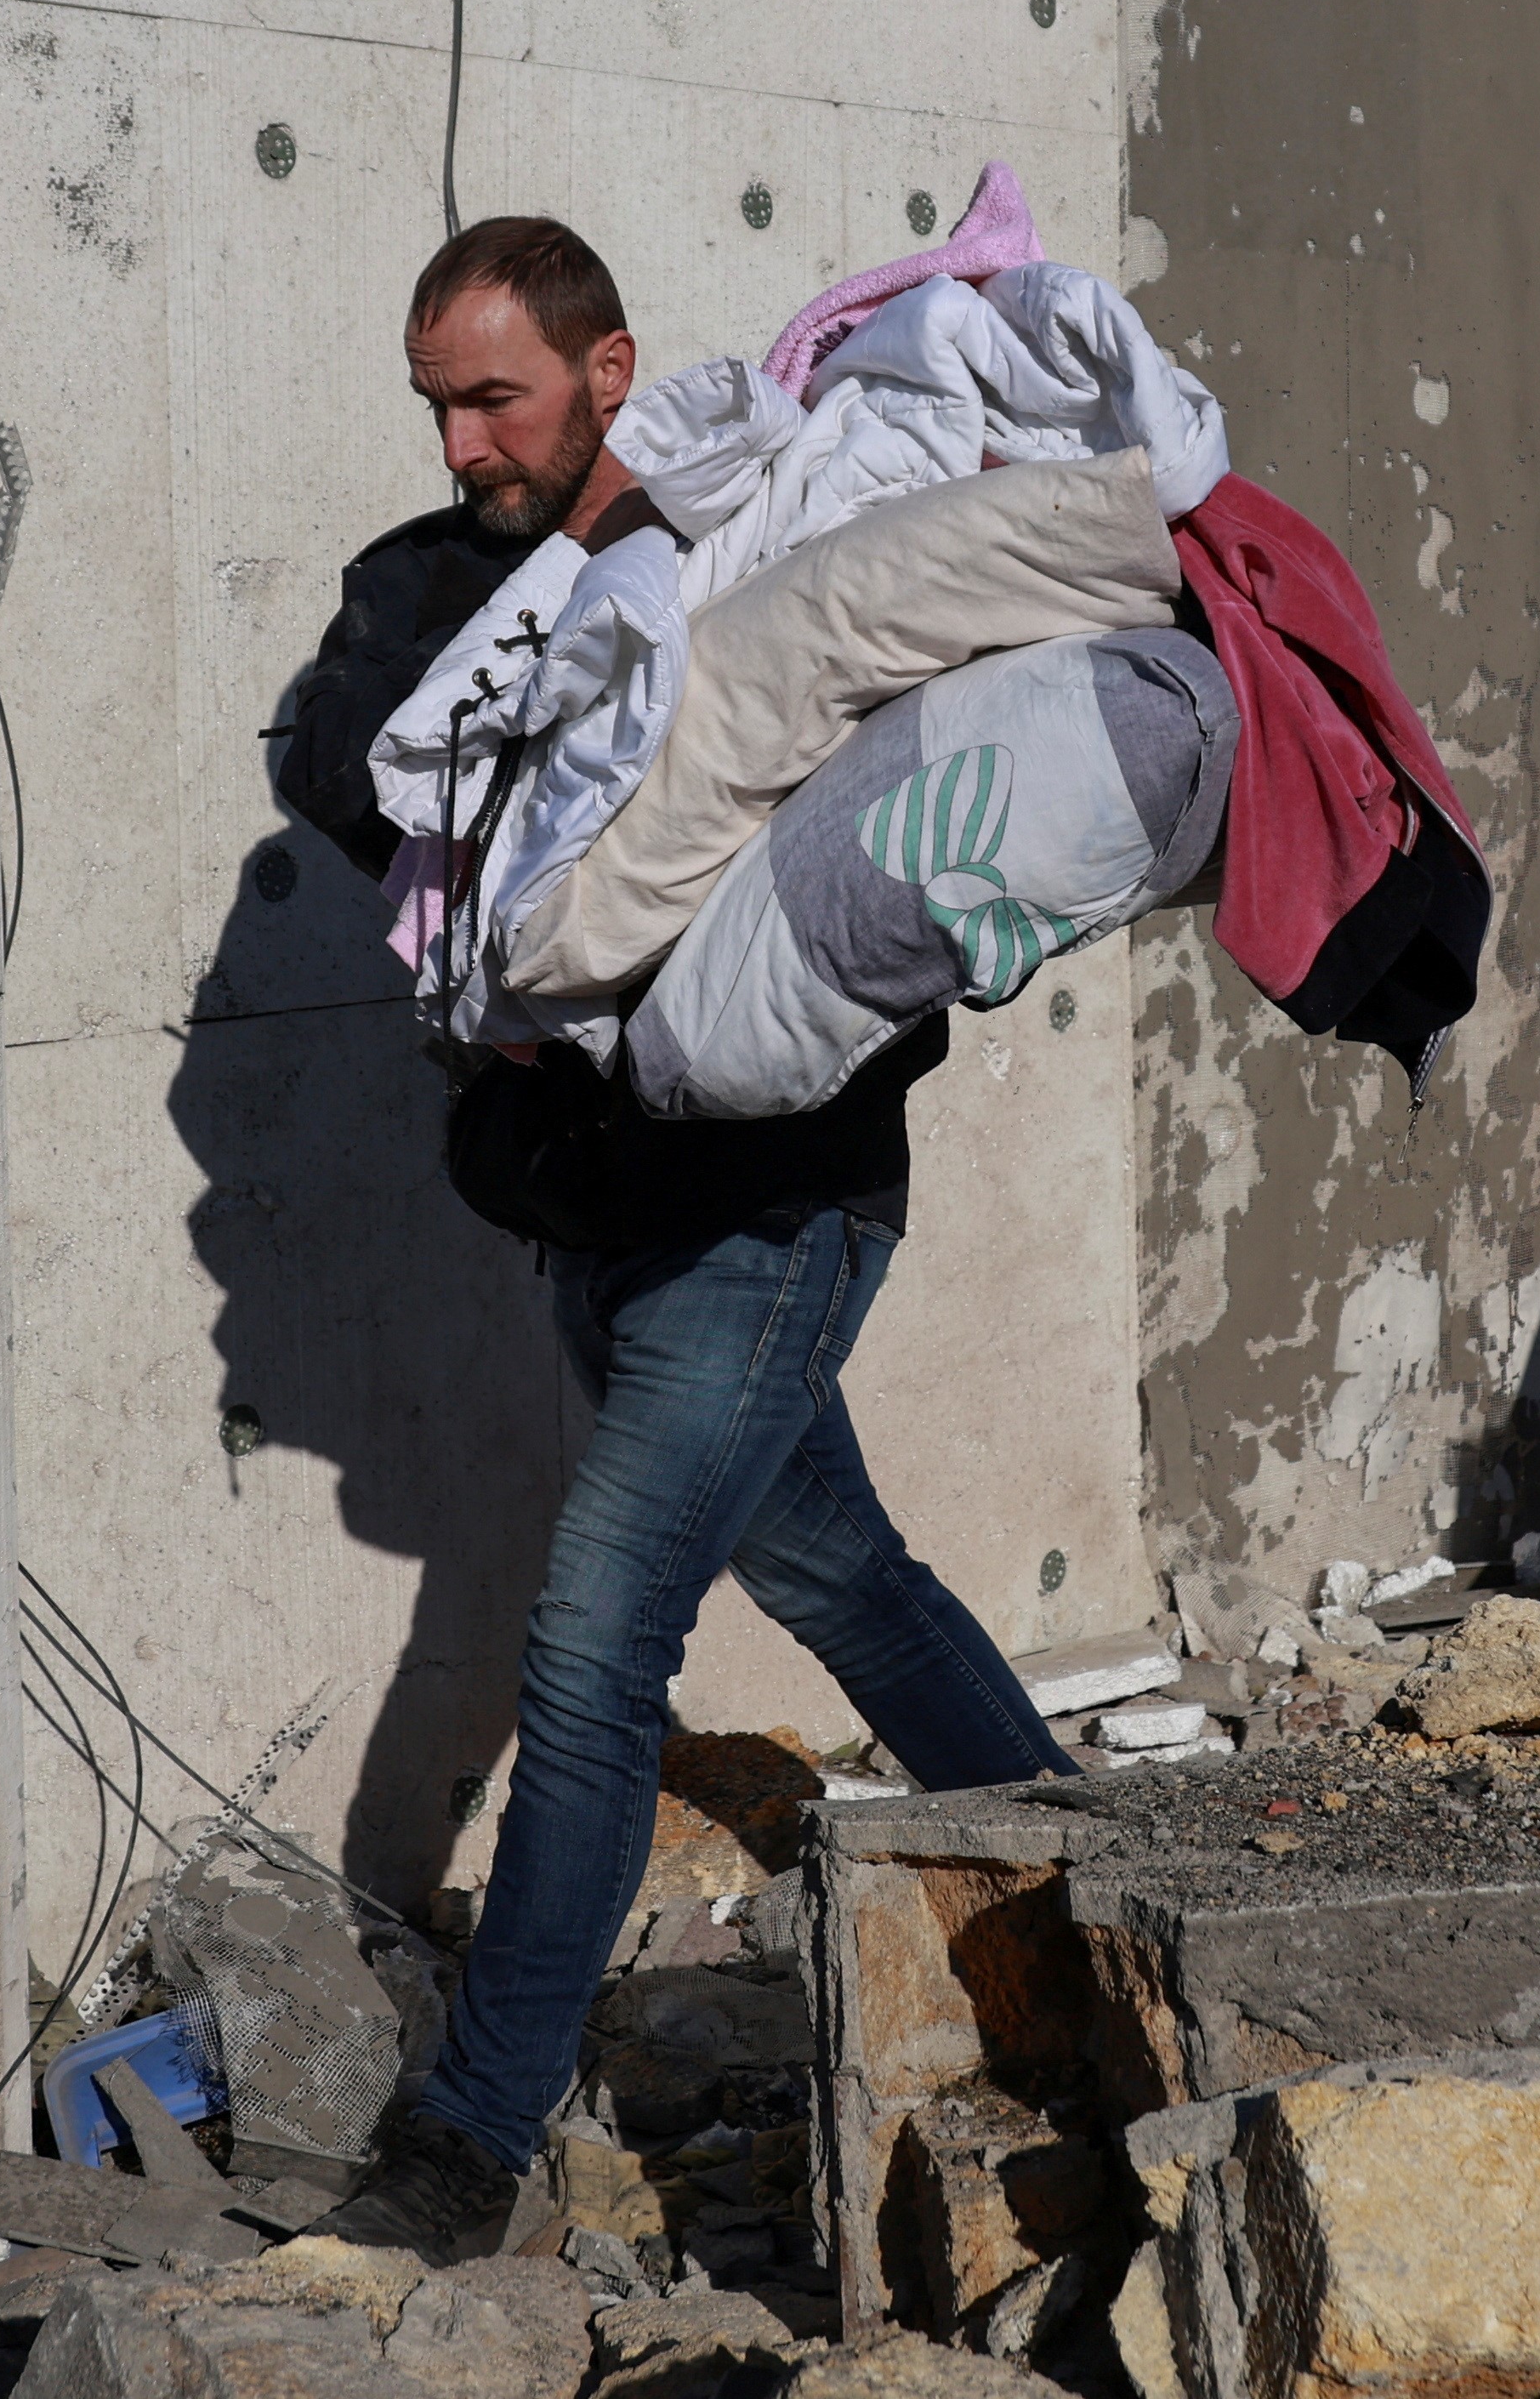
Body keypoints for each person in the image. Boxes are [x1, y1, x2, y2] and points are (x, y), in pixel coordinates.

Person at [266, 217, 1074, 2260]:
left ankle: (468, 2134)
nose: (461, 442)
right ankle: (1101, 1859)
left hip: (772, 1217)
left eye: (495, 399)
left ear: (611, 369)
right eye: (437, 404)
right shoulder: (465, 586)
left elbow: (914, 854)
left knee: (592, 1642)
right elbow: (343, 768)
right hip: (588, 1218)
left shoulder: (768, 558)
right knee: (844, 1574)